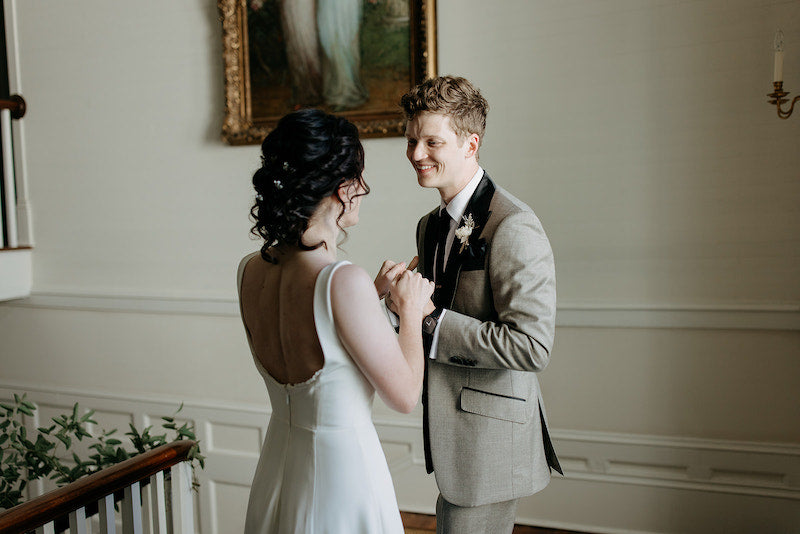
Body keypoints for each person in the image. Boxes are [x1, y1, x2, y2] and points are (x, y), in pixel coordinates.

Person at [378, 75, 562, 534]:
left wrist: (432, 320)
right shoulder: (429, 225)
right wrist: (396, 302)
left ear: (470, 143)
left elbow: (531, 347)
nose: (416, 154)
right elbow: (422, 316)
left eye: (431, 141)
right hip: (450, 431)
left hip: (490, 439)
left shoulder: (514, 226)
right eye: (411, 140)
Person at [237, 108, 434, 533]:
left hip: (278, 468)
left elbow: (311, 332)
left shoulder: (250, 269)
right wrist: (412, 310)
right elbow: (404, 396)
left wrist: (374, 295)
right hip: (340, 479)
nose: (363, 188)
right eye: (358, 177)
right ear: (341, 187)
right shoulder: (342, 280)